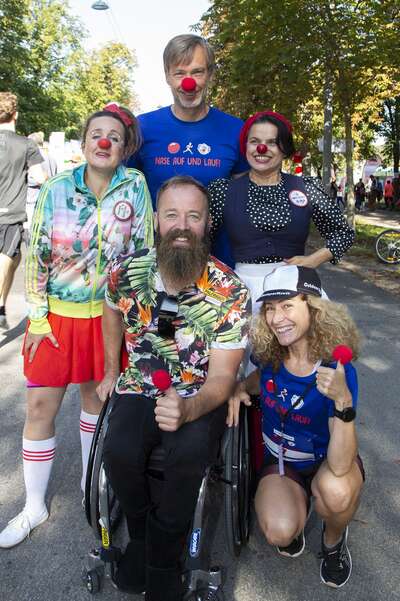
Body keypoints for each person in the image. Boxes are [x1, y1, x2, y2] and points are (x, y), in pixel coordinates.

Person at [0, 104, 154, 548]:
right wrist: (36, 316)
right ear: (85, 142)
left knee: (95, 403)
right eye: (96, 134)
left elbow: (143, 251)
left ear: (125, 148)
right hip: (57, 320)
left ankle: (91, 485)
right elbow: (38, 253)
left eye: (114, 136)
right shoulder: (55, 187)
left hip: (109, 320)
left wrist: (137, 321)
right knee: (39, 409)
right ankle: (33, 505)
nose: (104, 141)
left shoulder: (136, 186)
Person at [98, 175, 251, 600]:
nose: (182, 225)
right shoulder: (126, 273)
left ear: (206, 225)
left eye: (193, 216)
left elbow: (223, 378)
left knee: (187, 456)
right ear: (156, 221)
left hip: (199, 391)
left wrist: (188, 409)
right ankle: (144, 534)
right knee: (120, 451)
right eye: (172, 215)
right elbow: (111, 312)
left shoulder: (230, 292)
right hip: (140, 384)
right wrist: (113, 368)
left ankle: (164, 555)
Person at [228, 264, 364, 589]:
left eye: (288, 305)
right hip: (280, 462)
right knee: (279, 529)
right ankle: (293, 509)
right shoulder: (271, 355)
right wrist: (239, 389)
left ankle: (332, 541)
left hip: (326, 461)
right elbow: (260, 379)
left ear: (314, 309)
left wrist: (343, 402)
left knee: (336, 490)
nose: (276, 318)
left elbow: (342, 465)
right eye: (271, 309)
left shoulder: (337, 371)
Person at [207, 110, 355, 315]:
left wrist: (313, 260)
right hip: (243, 290)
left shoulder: (306, 187)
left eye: (272, 142)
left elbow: (343, 233)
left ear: (284, 149)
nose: (261, 148)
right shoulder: (223, 191)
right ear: (246, 147)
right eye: (255, 141)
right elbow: (202, 240)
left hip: (295, 287)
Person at [127, 33, 248, 264]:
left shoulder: (236, 130)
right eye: (179, 73)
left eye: (197, 72)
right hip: (155, 263)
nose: (188, 83)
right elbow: (123, 190)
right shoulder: (143, 127)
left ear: (210, 74)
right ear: (167, 76)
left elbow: (245, 199)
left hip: (217, 265)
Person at [0, 92, 45, 331]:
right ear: (15, 114)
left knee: (14, 259)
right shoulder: (25, 144)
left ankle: (1, 307)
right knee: (5, 261)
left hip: (9, 214)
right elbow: (39, 177)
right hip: (9, 215)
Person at [26, 132, 58, 233]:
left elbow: (36, 179)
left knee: (32, 231)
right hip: (48, 199)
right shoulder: (52, 158)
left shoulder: (33, 158)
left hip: (33, 199)